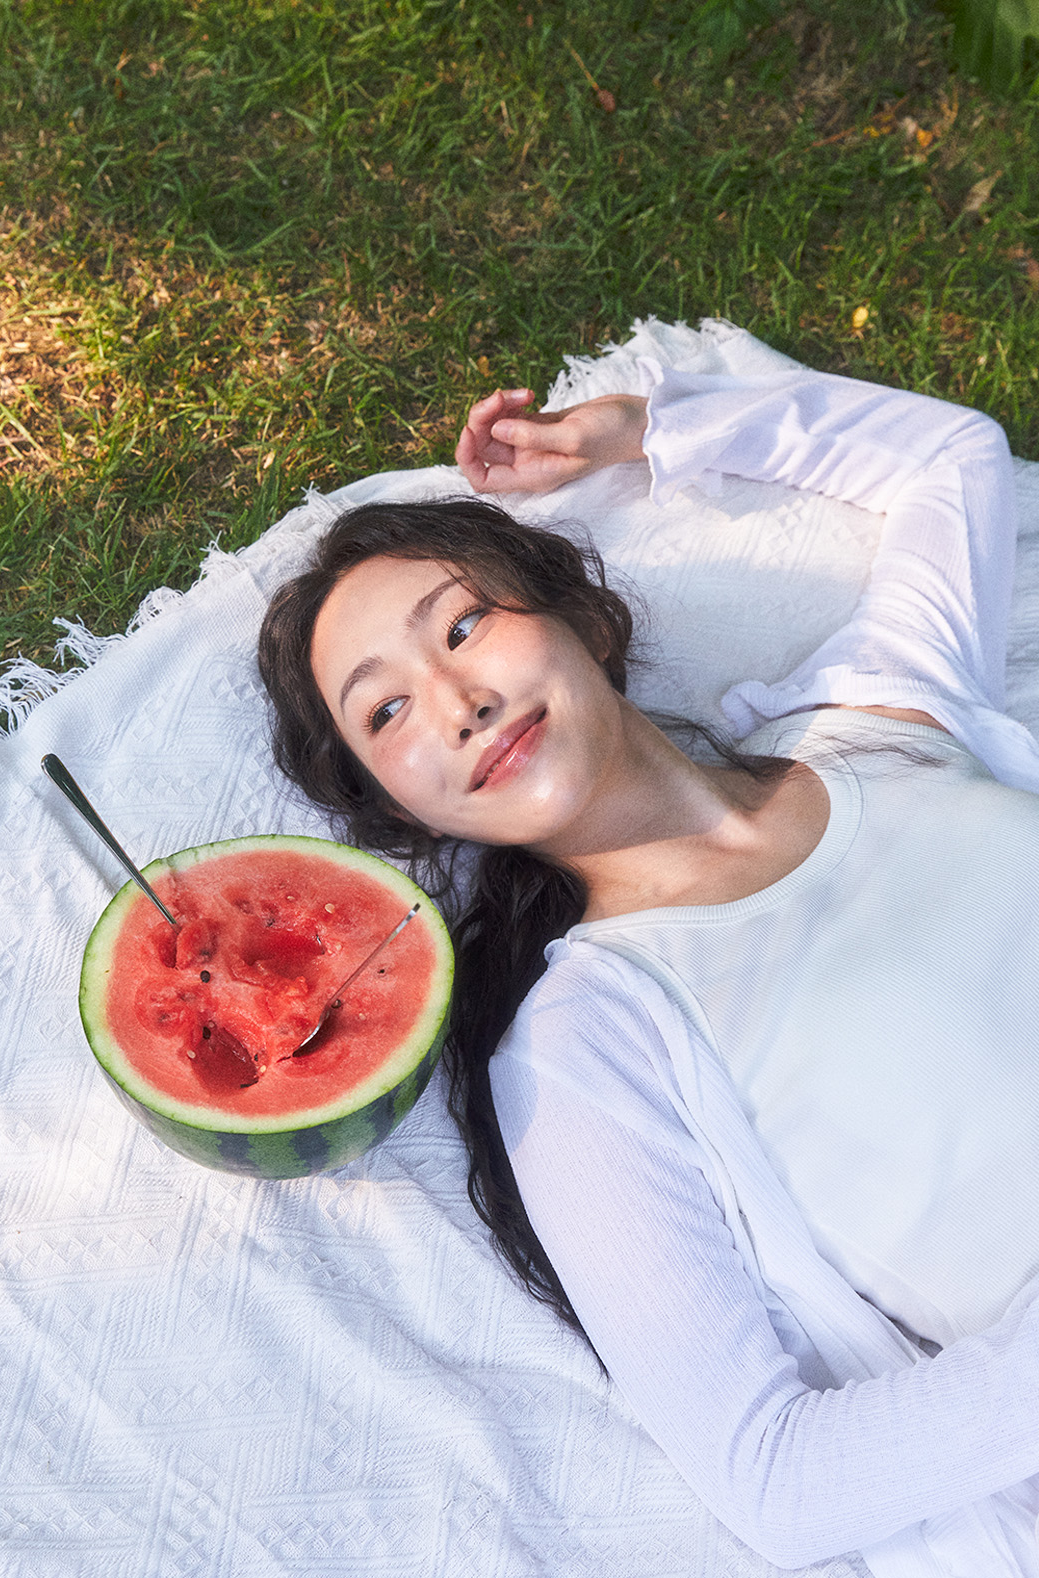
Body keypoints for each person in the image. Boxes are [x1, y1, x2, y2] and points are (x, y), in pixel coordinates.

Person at [257, 362, 1039, 1577]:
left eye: (462, 625)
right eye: (387, 714)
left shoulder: (885, 721)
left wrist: (642, 431)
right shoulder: (586, 1040)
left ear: (578, 613)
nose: (457, 701)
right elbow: (774, 1477)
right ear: (400, 810)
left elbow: (954, 460)